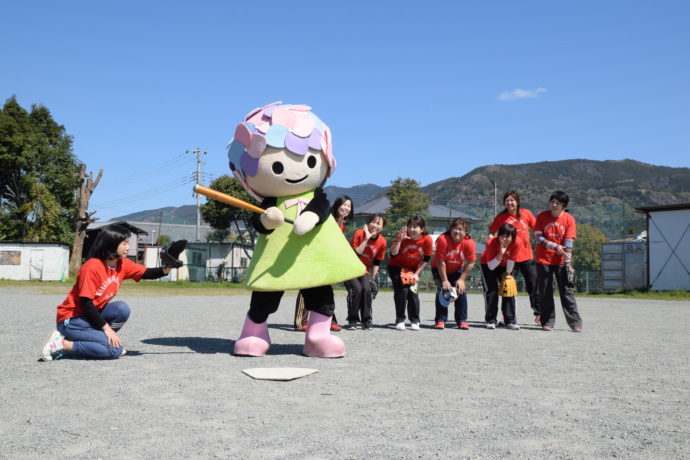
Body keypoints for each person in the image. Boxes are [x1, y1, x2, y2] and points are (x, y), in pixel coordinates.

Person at [40, 223, 186, 361]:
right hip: (73, 319)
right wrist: (107, 329)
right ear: (110, 244)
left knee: (121, 309)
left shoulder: (121, 264)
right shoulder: (92, 267)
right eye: (124, 243)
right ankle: (62, 344)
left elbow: (148, 273)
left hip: (90, 317)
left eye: (127, 243)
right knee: (113, 351)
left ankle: (99, 341)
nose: (128, 247)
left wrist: (169, 265)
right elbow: (86, 303)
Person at [293, 196, 353, 331]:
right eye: (344, 204)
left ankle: (329, 320)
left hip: (328, 258)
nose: (346, 208)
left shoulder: (342, 223)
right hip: (314, 256)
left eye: (349, 206)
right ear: (337, 205)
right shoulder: (326, 216)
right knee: (307, 287)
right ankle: (300, 321)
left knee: (327, 290)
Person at [534, 191, 583, 332]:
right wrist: (553, 246)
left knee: (566, 291)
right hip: (543, 259)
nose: (553, 205)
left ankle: (575, 322)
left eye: (557, 203)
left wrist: (568, 265)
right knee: (545, 291)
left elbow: (568, 244)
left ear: (563, 205)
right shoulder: (542, 215)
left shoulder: (569, 219)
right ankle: (547, 321)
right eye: (552, 201)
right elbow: (537, 236)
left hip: (561, 261)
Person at [489, 190, 540, 324]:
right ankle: (508, 317)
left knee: (533, 286)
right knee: (508, 286)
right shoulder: (501, 217)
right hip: (509, 258)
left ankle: (540, 314)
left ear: (517, 202)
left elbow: (537, 230)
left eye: (512, 200)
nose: (509, 202)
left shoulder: (526, 213)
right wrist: (495, 249)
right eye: (507, 200)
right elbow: (491, 232)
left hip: (526, 257)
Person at [388, 216, 433, 331]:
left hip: (413, 269)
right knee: (402, 290)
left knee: (412, 293)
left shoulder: (427, 240)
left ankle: (415, 320)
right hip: (396, 266)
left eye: (415, 227)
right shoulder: (402, 236)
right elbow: (393, 254)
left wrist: (417, 274)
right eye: (409, 226)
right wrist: (400, 239)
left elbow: (426, 259)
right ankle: (400, 320)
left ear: (422, 229)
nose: (411, 229)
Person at [431, 218, 476, 330]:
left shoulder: (469, 242)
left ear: (465, 232)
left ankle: (462, 320)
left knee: (461, 290)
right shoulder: (443, 239)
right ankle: (440, 320)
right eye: (455, 228)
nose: (457, 231)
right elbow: (441, 261)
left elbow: (471, 262)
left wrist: (461, 280)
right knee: (443, 290)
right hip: (439, 268)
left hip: (457, 269)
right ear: (450, 229)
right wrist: (445, 280)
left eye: (461, 229)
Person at [344, 213, 387, 330]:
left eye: (378, 223)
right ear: (368, 223)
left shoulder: (382, 242)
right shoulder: (359, 234)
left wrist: (373, 278)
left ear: (382, 228)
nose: (374, 225)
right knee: (356, 289)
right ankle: (352, 320)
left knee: (367, 290)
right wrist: (366, 238)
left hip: (363, 270)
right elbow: (356, 254)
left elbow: (377, 261)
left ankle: (366, 320)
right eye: (372, 222)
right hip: (349, 267)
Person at [480, 223, 522, 330]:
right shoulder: (491, 243)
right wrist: (501, 253)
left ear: (513, 237)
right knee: (492, 290)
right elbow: (491, 266)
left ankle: (510, 321)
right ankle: (491, 320)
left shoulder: (517, 242)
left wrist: (507, 276)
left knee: (509, 289)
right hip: (488, 265)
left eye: (507, 236)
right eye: (501, 235)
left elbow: (512, 260)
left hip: (506, 266)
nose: (504, 238)